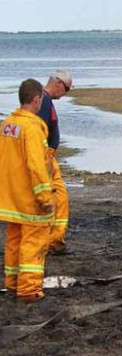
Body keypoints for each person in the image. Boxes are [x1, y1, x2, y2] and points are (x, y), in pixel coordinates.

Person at [0, 79, 55, 302]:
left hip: (11, 198)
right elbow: (37, 165)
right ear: (36, 100)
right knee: (34, 244)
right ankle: (28, 290)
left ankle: (12, 283)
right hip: (29, 199)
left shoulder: (7, 124)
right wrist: (45, 197)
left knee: (14, 241)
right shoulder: (32, 128)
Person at [38, 69, 72, 253]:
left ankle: (54, 239)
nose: (65, 93)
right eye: (66, 89)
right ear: (58, 83)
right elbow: (39, 131)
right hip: (46, 157)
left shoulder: (44, 100)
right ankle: (54, 240)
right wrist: (45, 161)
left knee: (57, 198)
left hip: (47, 156)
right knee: (58, 197)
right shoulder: (43, 102)